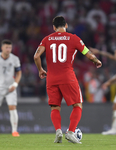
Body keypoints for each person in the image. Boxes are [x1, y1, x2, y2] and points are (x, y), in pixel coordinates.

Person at [34, 16, 102, 144]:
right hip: (67, 77)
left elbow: (36, 55)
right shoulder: (74, 38)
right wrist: (96, 60)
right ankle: (70, 132)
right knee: (77, 105)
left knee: (55, 107)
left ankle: (58, 131)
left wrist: (40, 70)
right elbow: (87, 53)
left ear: (54, 27)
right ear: (66, 25)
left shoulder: (47, 39)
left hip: (51, 78)